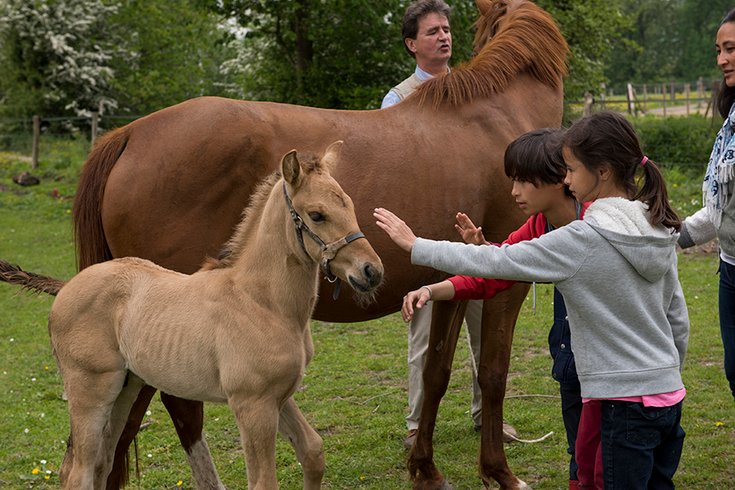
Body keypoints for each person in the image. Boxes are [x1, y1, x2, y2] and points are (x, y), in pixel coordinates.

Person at [375, 110, 689, 489]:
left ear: (601, 171)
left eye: (571, 170)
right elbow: (677, 315)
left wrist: (416, 246)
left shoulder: (582, 238)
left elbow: (502, 261)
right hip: (666, 395)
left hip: (617, 401)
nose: (567, 178)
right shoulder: (657, 223)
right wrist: (665, 373)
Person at [403, 128, 589, 490]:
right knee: (581, 454)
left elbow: (509, 264)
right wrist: (434, 286)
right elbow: (498, 271)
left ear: (558, 179)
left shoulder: (592, 225)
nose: (513, 192)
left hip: (614, 367)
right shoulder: (539, 223)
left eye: (522, 181)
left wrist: (417, 246)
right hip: (573, 354)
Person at [381, 0, 491, 448]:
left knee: (485, 327)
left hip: (474, 236)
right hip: (425, 239)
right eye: (432, 32)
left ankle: (489, 416)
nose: (444, 36)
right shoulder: (397, 100)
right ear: (411, 44)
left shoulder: (473, 94)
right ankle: (415, 425)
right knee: (424, 335)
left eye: (446, 29)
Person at [678, 7, 735, 402]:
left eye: (730, 48)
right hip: (730, 268)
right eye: (718, 49)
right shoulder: (732, 119)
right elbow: (722, 208)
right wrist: (673, 233)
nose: (721, 59)